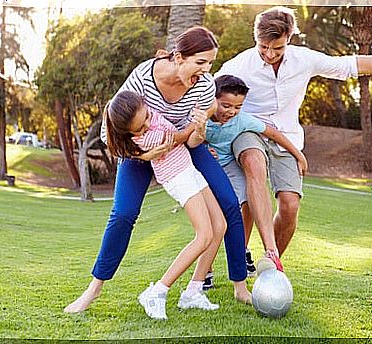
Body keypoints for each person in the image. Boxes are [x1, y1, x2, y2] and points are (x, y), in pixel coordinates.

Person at [64, 26, 251, 314]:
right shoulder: (141, 78)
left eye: (210, 64)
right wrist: (146, 154)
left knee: (228, 203)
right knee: (123, 214)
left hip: (182, 148)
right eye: (200, 63)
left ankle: (230, 286)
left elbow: (192, 137)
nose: (206, 71)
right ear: (179, 57)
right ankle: (93, 289)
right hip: (139, 152)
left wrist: (196, 130)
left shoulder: (203, 85)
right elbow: (108, 135)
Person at [214, 6, 372, 258]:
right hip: (250, 131)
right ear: (255, 39)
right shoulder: (238, 65)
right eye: (263, 47)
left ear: (289, 39)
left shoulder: (304, 59)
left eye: (277, 48)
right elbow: (207, 96)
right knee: (253, 166)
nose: (269, 54)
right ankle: (241, 256)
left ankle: (271, 264)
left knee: (290, 205)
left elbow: (349, 65)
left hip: (287, 138)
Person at [103, 90, 225, 319]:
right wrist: (203, 115)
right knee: (205, 235)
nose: (149, 124)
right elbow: (176, 136)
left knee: (220, 225)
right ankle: (158, 290)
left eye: (148, 116)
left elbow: (167, 122)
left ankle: (194, 291)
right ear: (130, 133)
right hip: (177, 177)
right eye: (140, 128)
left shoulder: (148, 113)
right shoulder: (149, 137)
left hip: (188, 169)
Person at [204, 75, 308, 286]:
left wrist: (298, 154)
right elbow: (187, 141)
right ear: (212, 99)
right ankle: (206, 269)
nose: (231, 112)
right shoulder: (201, 118)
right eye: (225, 105)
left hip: (230, 168)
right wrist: (205, 150)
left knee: (246, 203)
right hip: (207, 169)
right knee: (211, 220)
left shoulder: (241, 120)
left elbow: (273, 133)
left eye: (237, 107)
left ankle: (246, 253)